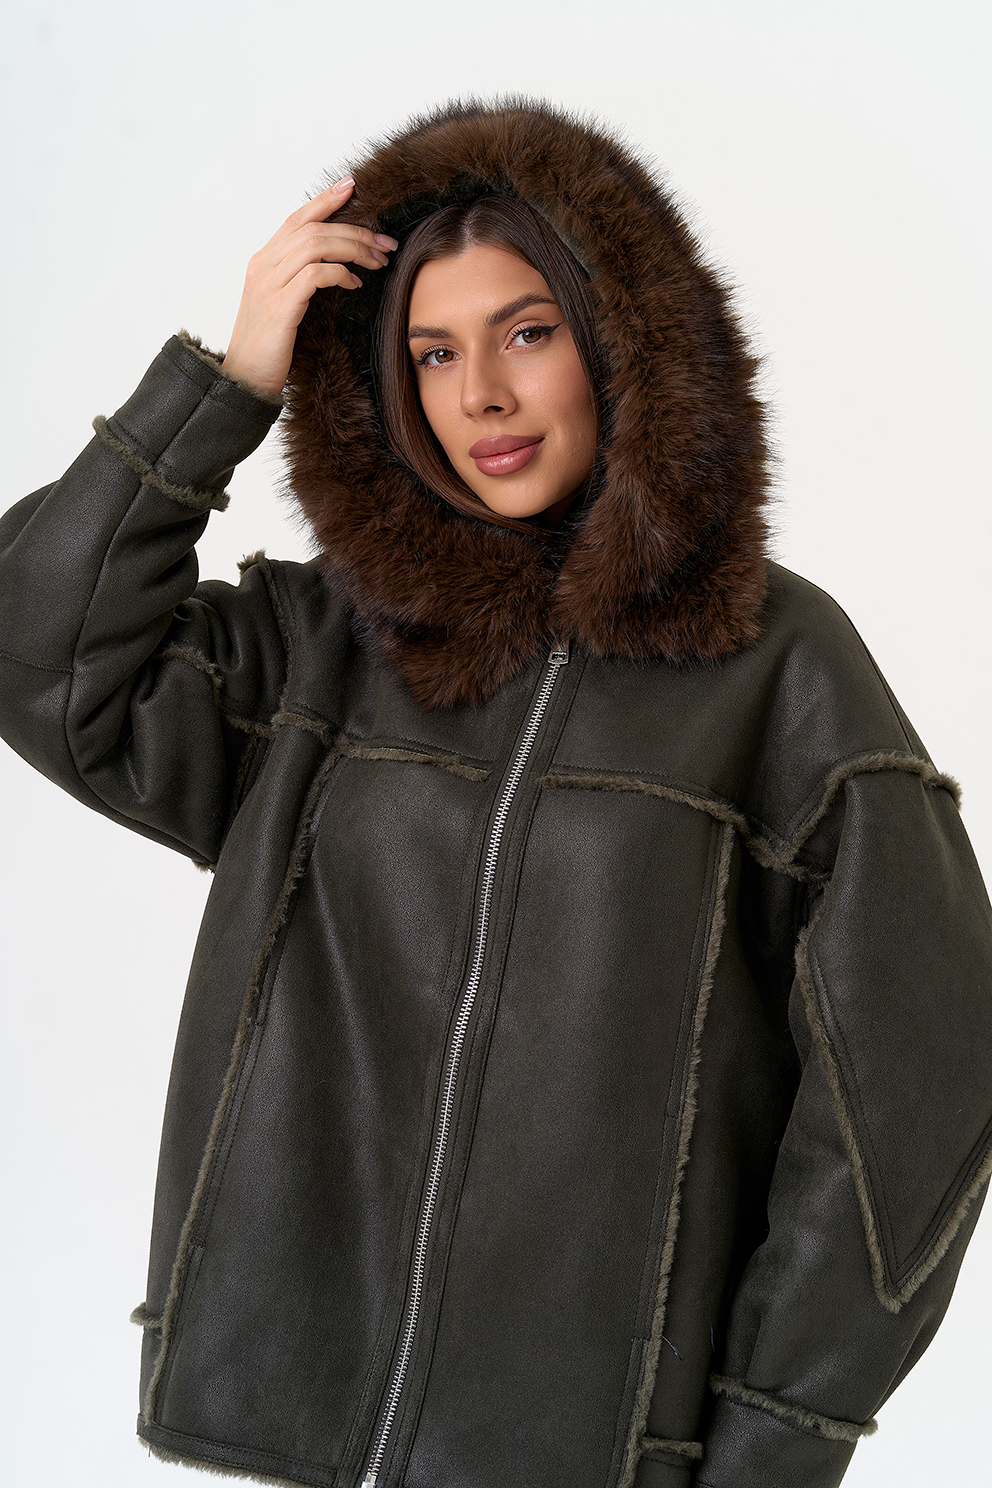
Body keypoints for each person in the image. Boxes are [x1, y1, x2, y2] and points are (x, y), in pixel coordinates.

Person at [0, 98, 990, 1488]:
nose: (479, 397)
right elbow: (40, 654)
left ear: (625, 341)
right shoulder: (323, 644)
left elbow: (921, 1079)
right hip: (300, 1432)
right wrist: (224, 386)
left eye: (527, 333)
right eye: (432, 351)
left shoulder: (779, 665)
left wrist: (778, 1436)